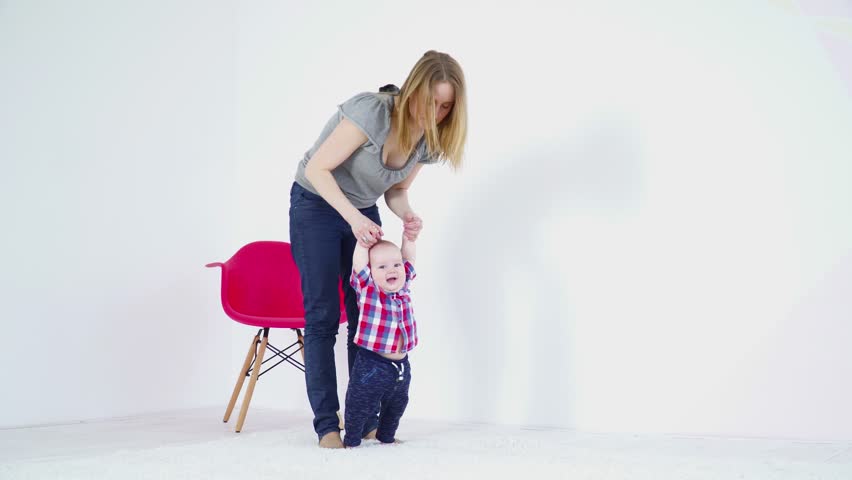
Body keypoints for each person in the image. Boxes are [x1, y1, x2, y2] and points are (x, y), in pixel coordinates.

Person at [288, 50, 468, 448]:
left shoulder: (428, 140)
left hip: (363, 210)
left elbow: (396, 189)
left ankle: (362, 417)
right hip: (316, 203)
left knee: (364, 315)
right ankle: (326, 426)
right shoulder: (371, 112)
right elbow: (318, 169)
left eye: (445, 107)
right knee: (322, 317)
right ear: (413, 89)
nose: (436, 112)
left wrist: (407, 215)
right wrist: (354, 218)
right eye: (431, 101)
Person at [343, 236, 417, 447]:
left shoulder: (403, 287)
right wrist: (362, 243)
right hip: (372, 364)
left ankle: (386, 437)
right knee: (360, 403)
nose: (391, 270)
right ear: (371, 272)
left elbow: (409, 259)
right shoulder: (369, 289)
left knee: (397, 403)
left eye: (396, 264)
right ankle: (352, 440)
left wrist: (409, 238)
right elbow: (358, 264)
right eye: (382, 267)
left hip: (401, 365)